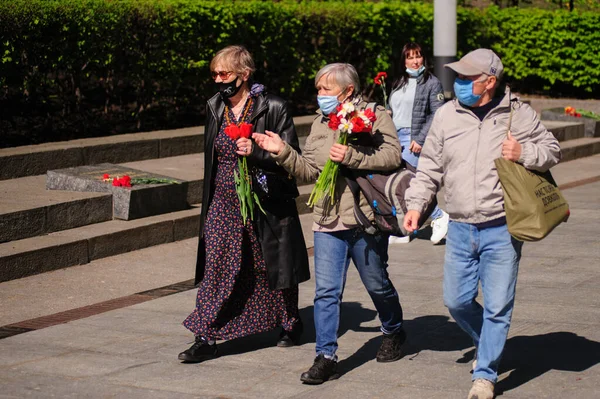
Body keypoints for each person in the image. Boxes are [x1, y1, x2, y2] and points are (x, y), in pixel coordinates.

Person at [403, 49, 561, 399]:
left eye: (466, 78)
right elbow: (429, 167)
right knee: (456, 301)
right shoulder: (446, 115)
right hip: (459, 226)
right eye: (457, 77)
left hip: (502, 227)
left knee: (498, 305)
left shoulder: (516, 114)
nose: (458, 83)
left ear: (489, 81)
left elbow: (552, 149)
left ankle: (486, 373)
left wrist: (525, 153)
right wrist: (416, 205)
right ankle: (489, 342)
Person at [253, 63, 406, 385]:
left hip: (364, 218)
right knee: (326, 292)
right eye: (318, 89)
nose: (319, 96)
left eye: (326, 89)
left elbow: (393, 156)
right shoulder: (322, 122)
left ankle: (393, 330)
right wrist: (282, 152)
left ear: (348, 91)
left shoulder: (374, 115)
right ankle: (326, 356)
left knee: (377, 284)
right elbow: (309, 170)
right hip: (327, 219)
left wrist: (352, 157)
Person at [178, 45, 310, 363]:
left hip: (265, 200)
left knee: (269, 267)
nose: (219, 79)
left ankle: (290, 323)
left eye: (225, 73)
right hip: (222, 202)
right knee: (217, 268)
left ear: (244, 75)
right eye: (215, 74)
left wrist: (258, 152)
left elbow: (291, 157)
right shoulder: (215, 107)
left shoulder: (273, 106)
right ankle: (206, 335)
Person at [388, 42, 449, 245]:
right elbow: (393, 108)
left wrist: (421, 138)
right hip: (395, 137)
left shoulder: (432, 83)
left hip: (413, 138)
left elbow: (437, 113)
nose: (415, 61)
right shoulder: (399, 82)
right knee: (401, 182)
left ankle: (439, 215)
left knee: (409, 183)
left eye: (418, 56)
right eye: (410, 57)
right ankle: (406, 228)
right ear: (403, 60)